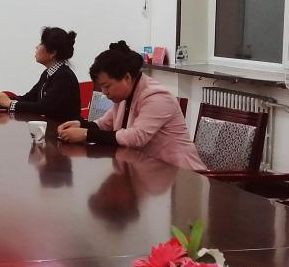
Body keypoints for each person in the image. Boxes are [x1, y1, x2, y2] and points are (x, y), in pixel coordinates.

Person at [57, 41, 204, 171]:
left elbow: (136, 137)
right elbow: (105, 124)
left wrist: (85, 134)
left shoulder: (157, 97)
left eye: (107, 86)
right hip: (147, 170)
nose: (104, 92)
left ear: (127, 77)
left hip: (181, 175)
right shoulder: (124, 95)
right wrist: (80, 124)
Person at [0, 27, 82, 122]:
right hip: (52, 128)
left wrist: (9, 103)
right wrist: (0, 99)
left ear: (52, 53)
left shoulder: (64, 77)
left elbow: (42, 107)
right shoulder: (48, 74)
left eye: (41, 44)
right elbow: (28, 98)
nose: (36, 47)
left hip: (64, 130)